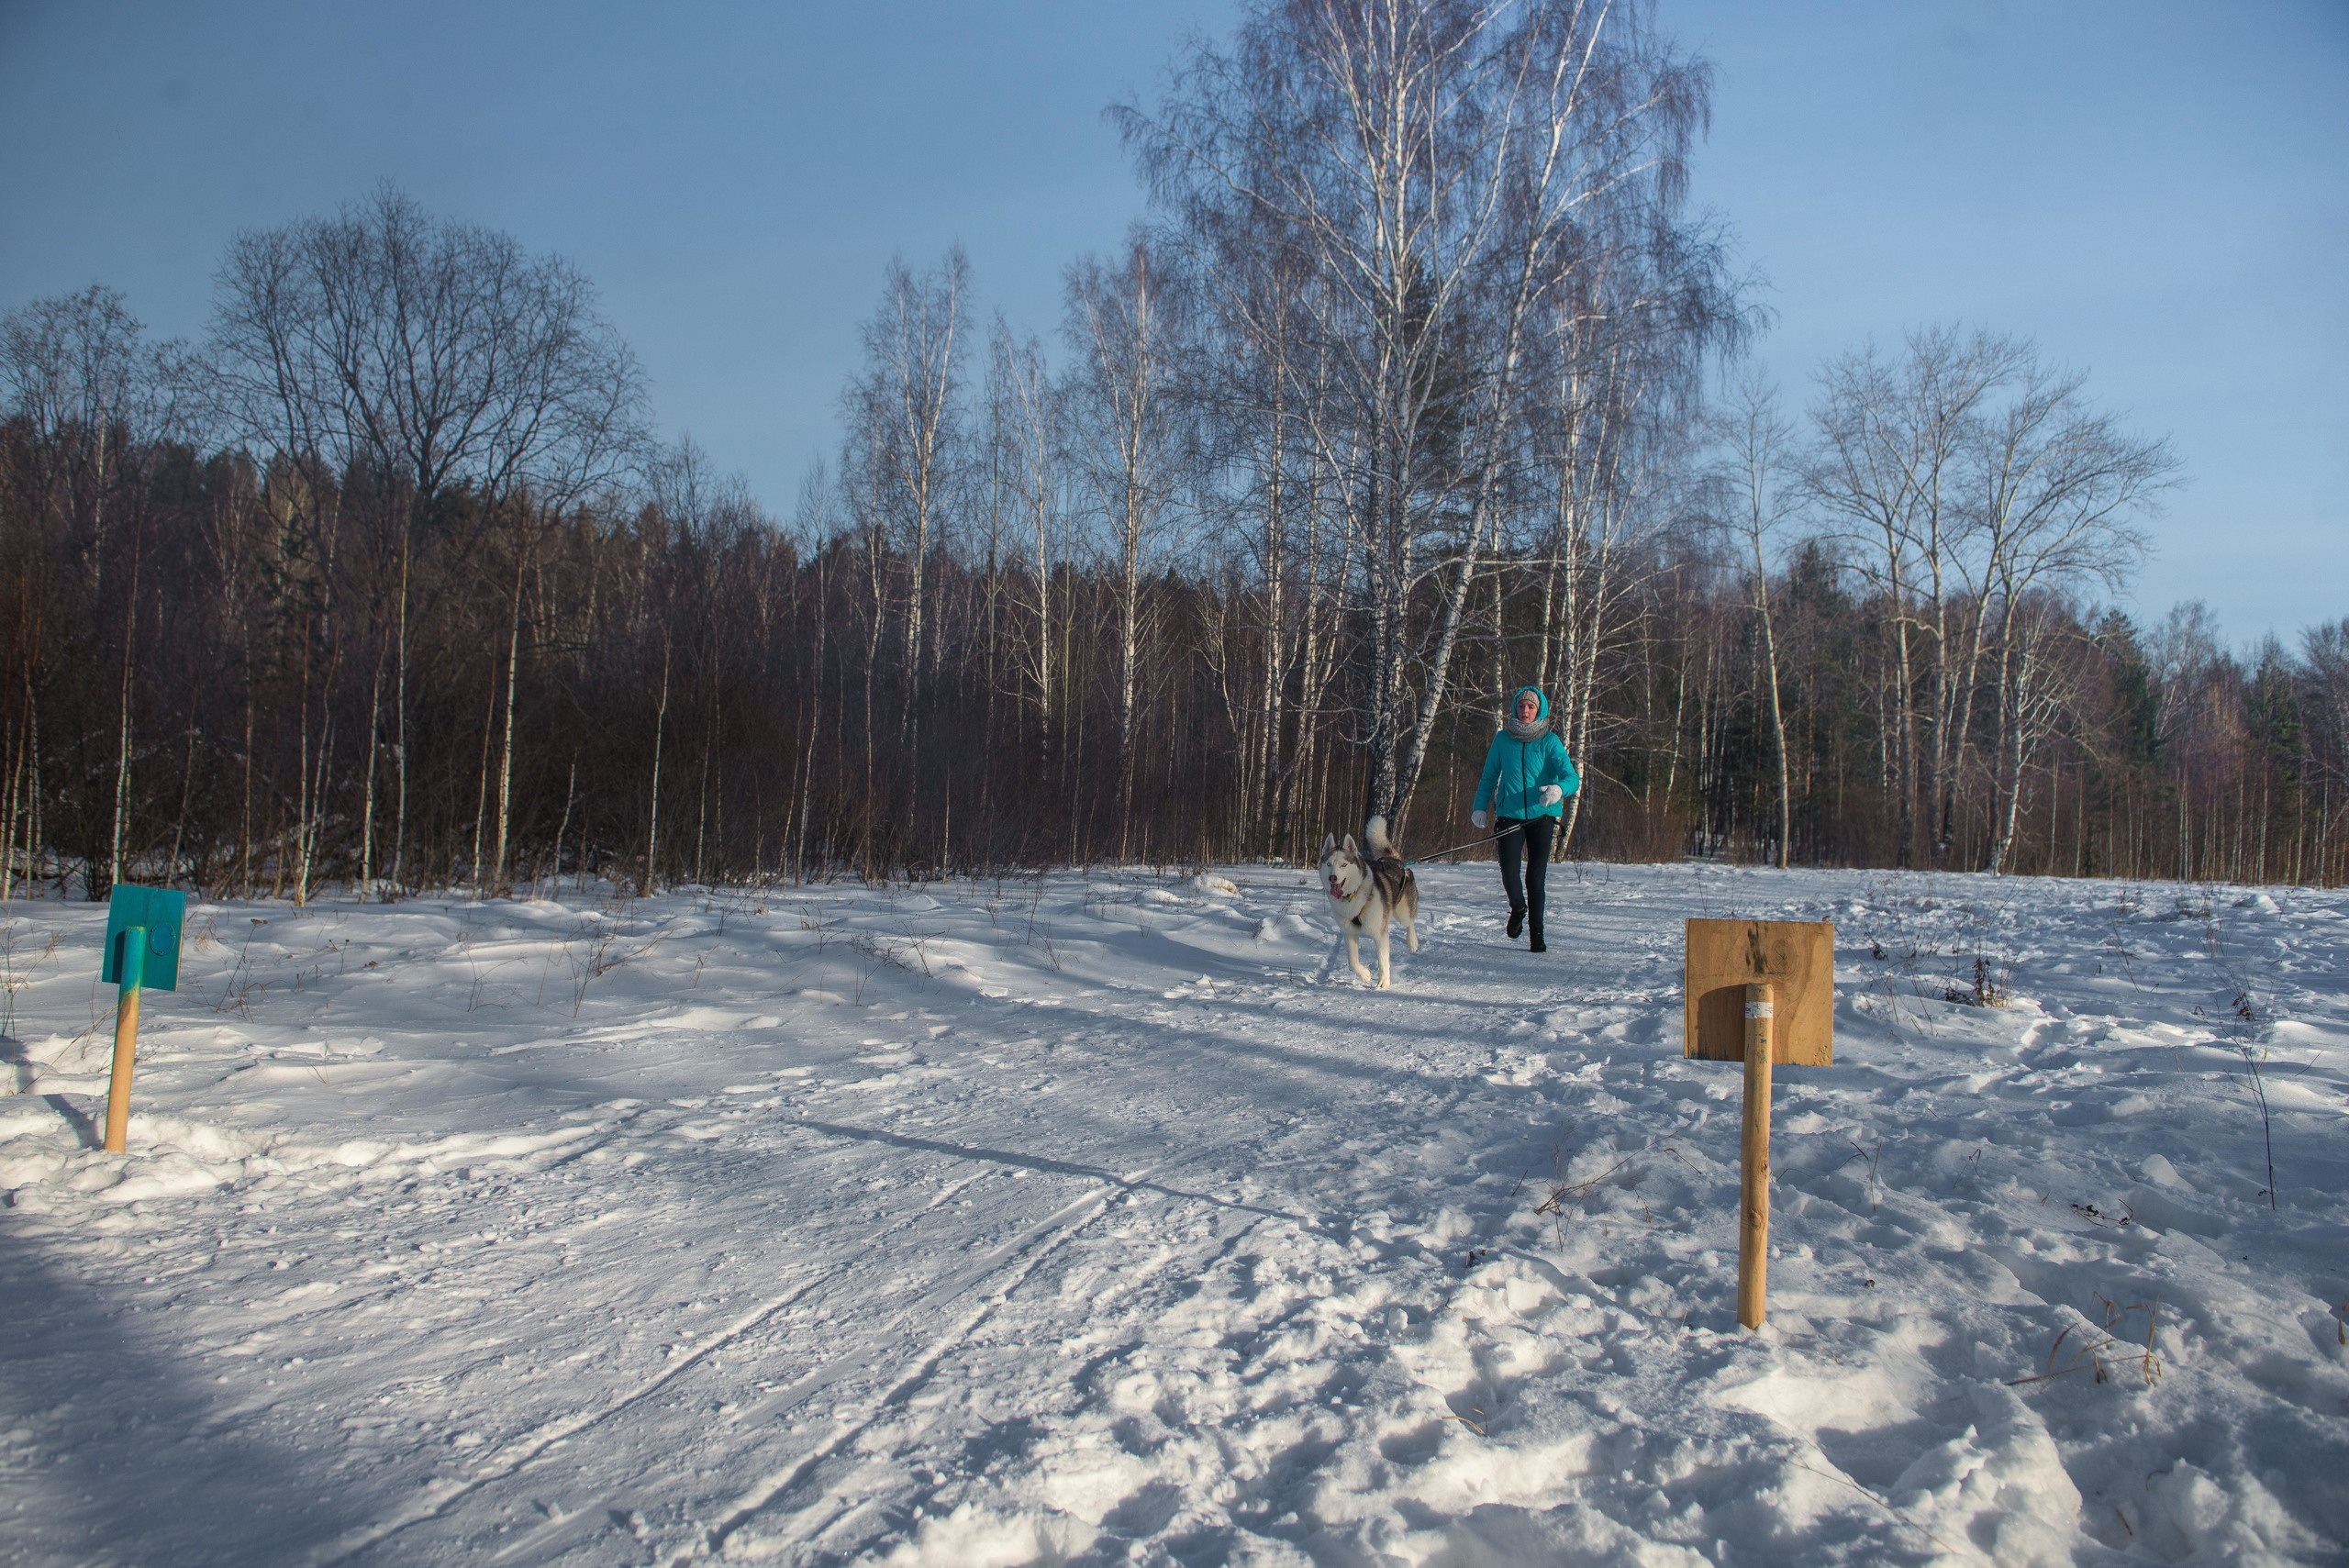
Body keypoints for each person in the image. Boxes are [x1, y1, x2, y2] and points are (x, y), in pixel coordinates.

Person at [1470, 686, 1580, 952]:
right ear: (1515, 708)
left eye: (1531, 707)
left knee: (1536, 878)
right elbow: (1489, 776)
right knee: (1509, 872)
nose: (1525, 711)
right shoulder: (1503, 739)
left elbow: (1572, 778)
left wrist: (1558, 790)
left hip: (1542, 816)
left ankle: (1537, 934)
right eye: (1521, 706)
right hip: (1509, 815)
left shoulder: (1549, 741)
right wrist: (1479, 807)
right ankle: (1518, 907)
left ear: (1539, 710)